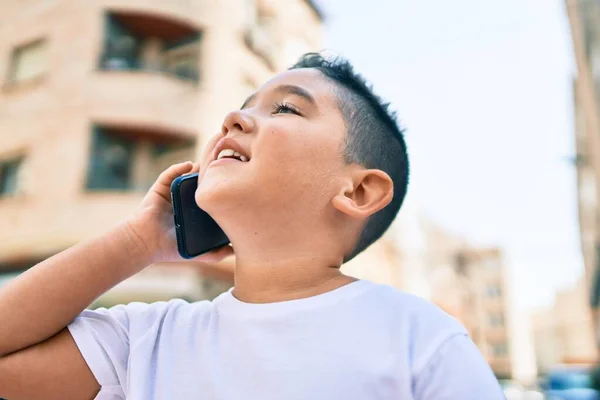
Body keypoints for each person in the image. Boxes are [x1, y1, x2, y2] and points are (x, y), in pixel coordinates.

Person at [0, 53, 504, 399]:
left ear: (358, 192)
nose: (232, 120)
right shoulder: (147, 340)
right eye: (242, 107)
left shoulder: (418, 337)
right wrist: (139, 241)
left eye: (285, 108)